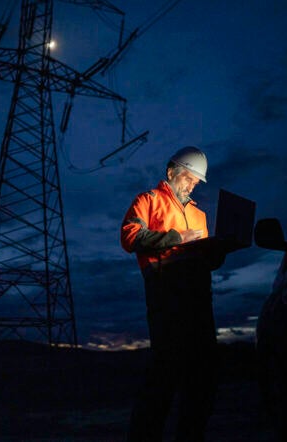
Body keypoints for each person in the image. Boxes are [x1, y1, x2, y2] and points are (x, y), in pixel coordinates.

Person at [120, 146, 224, 442]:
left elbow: (203, 258)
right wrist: (176, 238)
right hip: (166, 294)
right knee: (164, 376)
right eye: (189, 178)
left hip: (199, 297)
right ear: (171, 172)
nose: (192, 185)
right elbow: (130, 236)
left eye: (196, 182)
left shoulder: (199, 214)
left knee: (203, 378)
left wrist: (217, 253)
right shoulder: (148, 201)